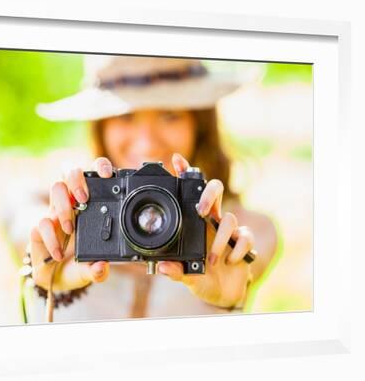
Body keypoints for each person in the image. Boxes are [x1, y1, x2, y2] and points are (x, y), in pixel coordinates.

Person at [24, 54, 277, 322]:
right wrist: (51, 257)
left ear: (199, 125)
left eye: (170, 115)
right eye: (126, 116)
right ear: (101, 127)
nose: (146, 142)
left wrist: (233, 279)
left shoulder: (235, 231)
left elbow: (257, 246)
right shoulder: (57, 212)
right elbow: (23, 226)